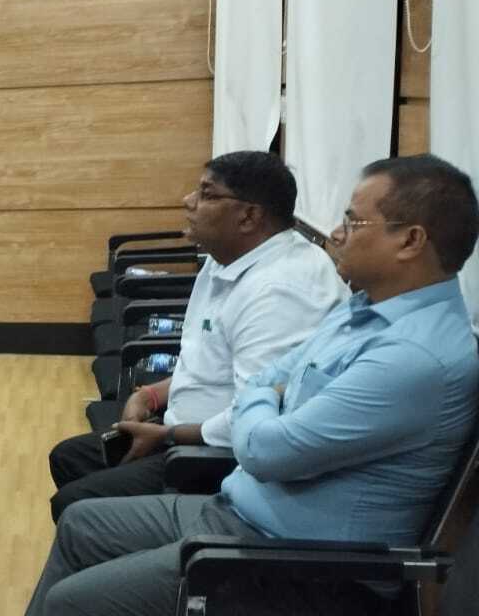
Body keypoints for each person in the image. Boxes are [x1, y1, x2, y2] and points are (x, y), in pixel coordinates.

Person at [26, 154, 479, 616]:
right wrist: (266, 398)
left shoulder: (414, 357)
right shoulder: (363, 307)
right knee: (81, 525)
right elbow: (271, 379)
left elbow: (265, 450)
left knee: (71, 603)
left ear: (410, 241)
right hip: (241, 513)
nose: (337, 232)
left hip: (301, 566)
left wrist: (263, 400)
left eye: (353, 220)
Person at [47, 151, 347, 521]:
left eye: (207, 194)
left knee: (75, 505)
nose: (188, 201)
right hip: (182, 432)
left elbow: (258, 417)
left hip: (218, 459)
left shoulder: (280, 292)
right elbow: (210, 363)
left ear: (249, 216)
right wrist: (151, 395)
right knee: (70, 458)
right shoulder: (228, 259)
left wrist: (171, 436)